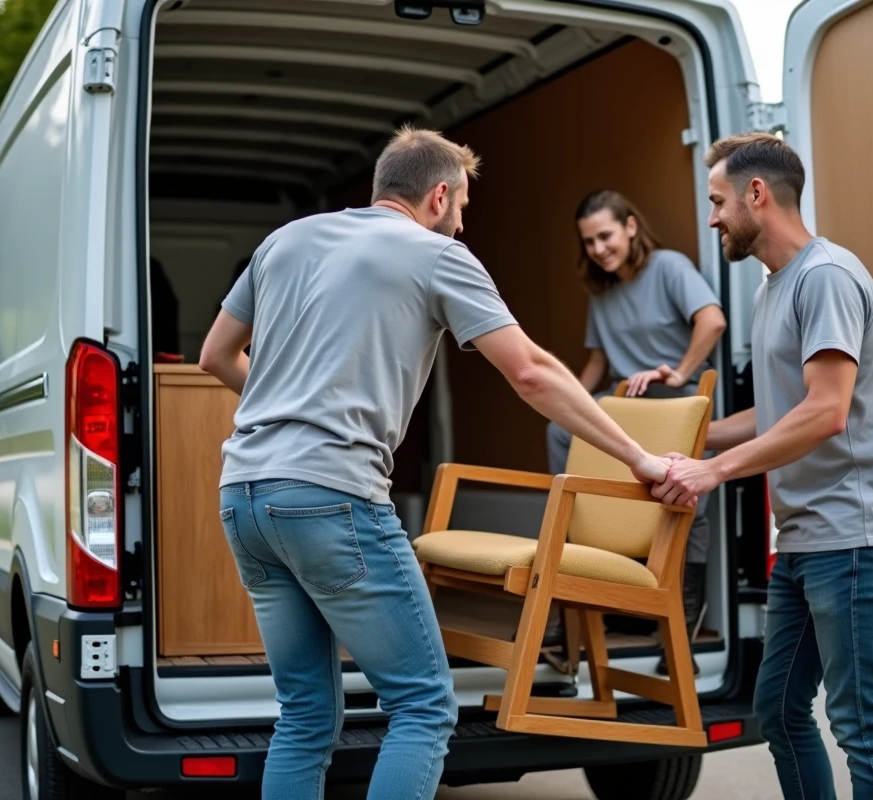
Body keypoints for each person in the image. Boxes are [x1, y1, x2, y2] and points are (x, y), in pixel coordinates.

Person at [198, 126, 680, 800]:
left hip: (245, 496)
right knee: (423, 706)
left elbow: (215, 356)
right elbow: (533, 373)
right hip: (330, 497)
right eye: (460, 210)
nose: (460, 224)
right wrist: (637, 457)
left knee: (306, 715)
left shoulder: (286, 241)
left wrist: (290, 406)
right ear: (439, 194)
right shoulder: (435, 254)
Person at [650, 132, 873, 800]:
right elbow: (781, 410)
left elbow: (827, 410)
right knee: (776, 709)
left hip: (858, 536)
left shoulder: (825, 277)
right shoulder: (773, 288)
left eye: (717, 201)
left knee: (862, 725)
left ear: (756, 193)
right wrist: (693, 443)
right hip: (807, 540)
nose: (711, 217)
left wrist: (715, 474)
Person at [545, 189, 726, 675]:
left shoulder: (668, 267)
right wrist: (564, 405)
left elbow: (712, 321)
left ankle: (681, 625)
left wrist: (681, 373)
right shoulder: (602, 293)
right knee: (560, 434)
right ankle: (567, 602)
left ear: (629, 226)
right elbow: (598, 363)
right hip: (628, 408)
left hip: (677, 402)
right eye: (589, 242)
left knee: (688, 500)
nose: (598, 248)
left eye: (605, 235)